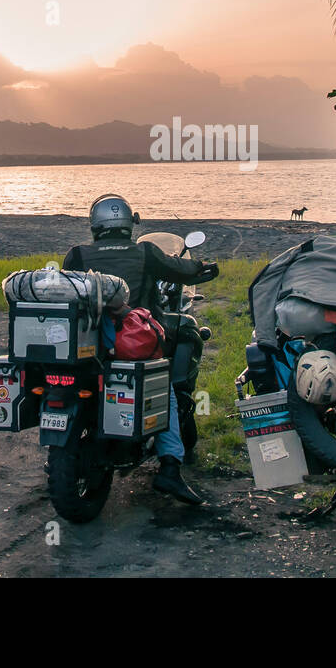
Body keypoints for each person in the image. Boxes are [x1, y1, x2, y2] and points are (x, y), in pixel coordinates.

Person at [63, 193, 217, 505]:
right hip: (135, 345)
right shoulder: (145, 252)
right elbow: (181, 270)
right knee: (167, 391)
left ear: (95, 224)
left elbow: (69, 290)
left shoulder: (77, 255)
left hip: (88, 349)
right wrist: (202, 266)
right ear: (127, 224)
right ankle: (170, 469)